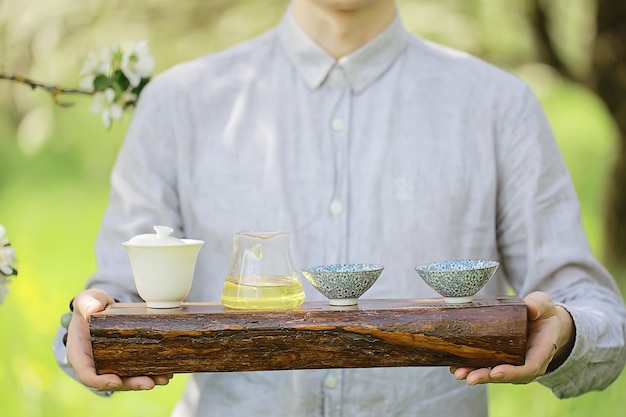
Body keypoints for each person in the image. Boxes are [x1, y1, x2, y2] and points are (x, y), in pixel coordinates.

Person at [54, 0, 626, 416]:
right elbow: (114, 299)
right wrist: (87, 328)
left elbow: (596, 314)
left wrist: (569, 333)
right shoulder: (177, 105)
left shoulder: (501, 107)